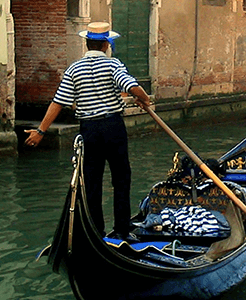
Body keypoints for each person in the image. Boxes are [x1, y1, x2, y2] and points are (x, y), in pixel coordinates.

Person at [25, 22, 152, 242]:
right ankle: (122, 229)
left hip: (89, 130)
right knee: (121, 178)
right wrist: (145, 99)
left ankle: (97, 232)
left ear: (87, 44)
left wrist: (40, 131)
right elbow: (131, 86)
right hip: (113, 127)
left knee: (92, 181)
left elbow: (58, 102)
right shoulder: (113, 65)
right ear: (105, 44)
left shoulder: (74, 69)